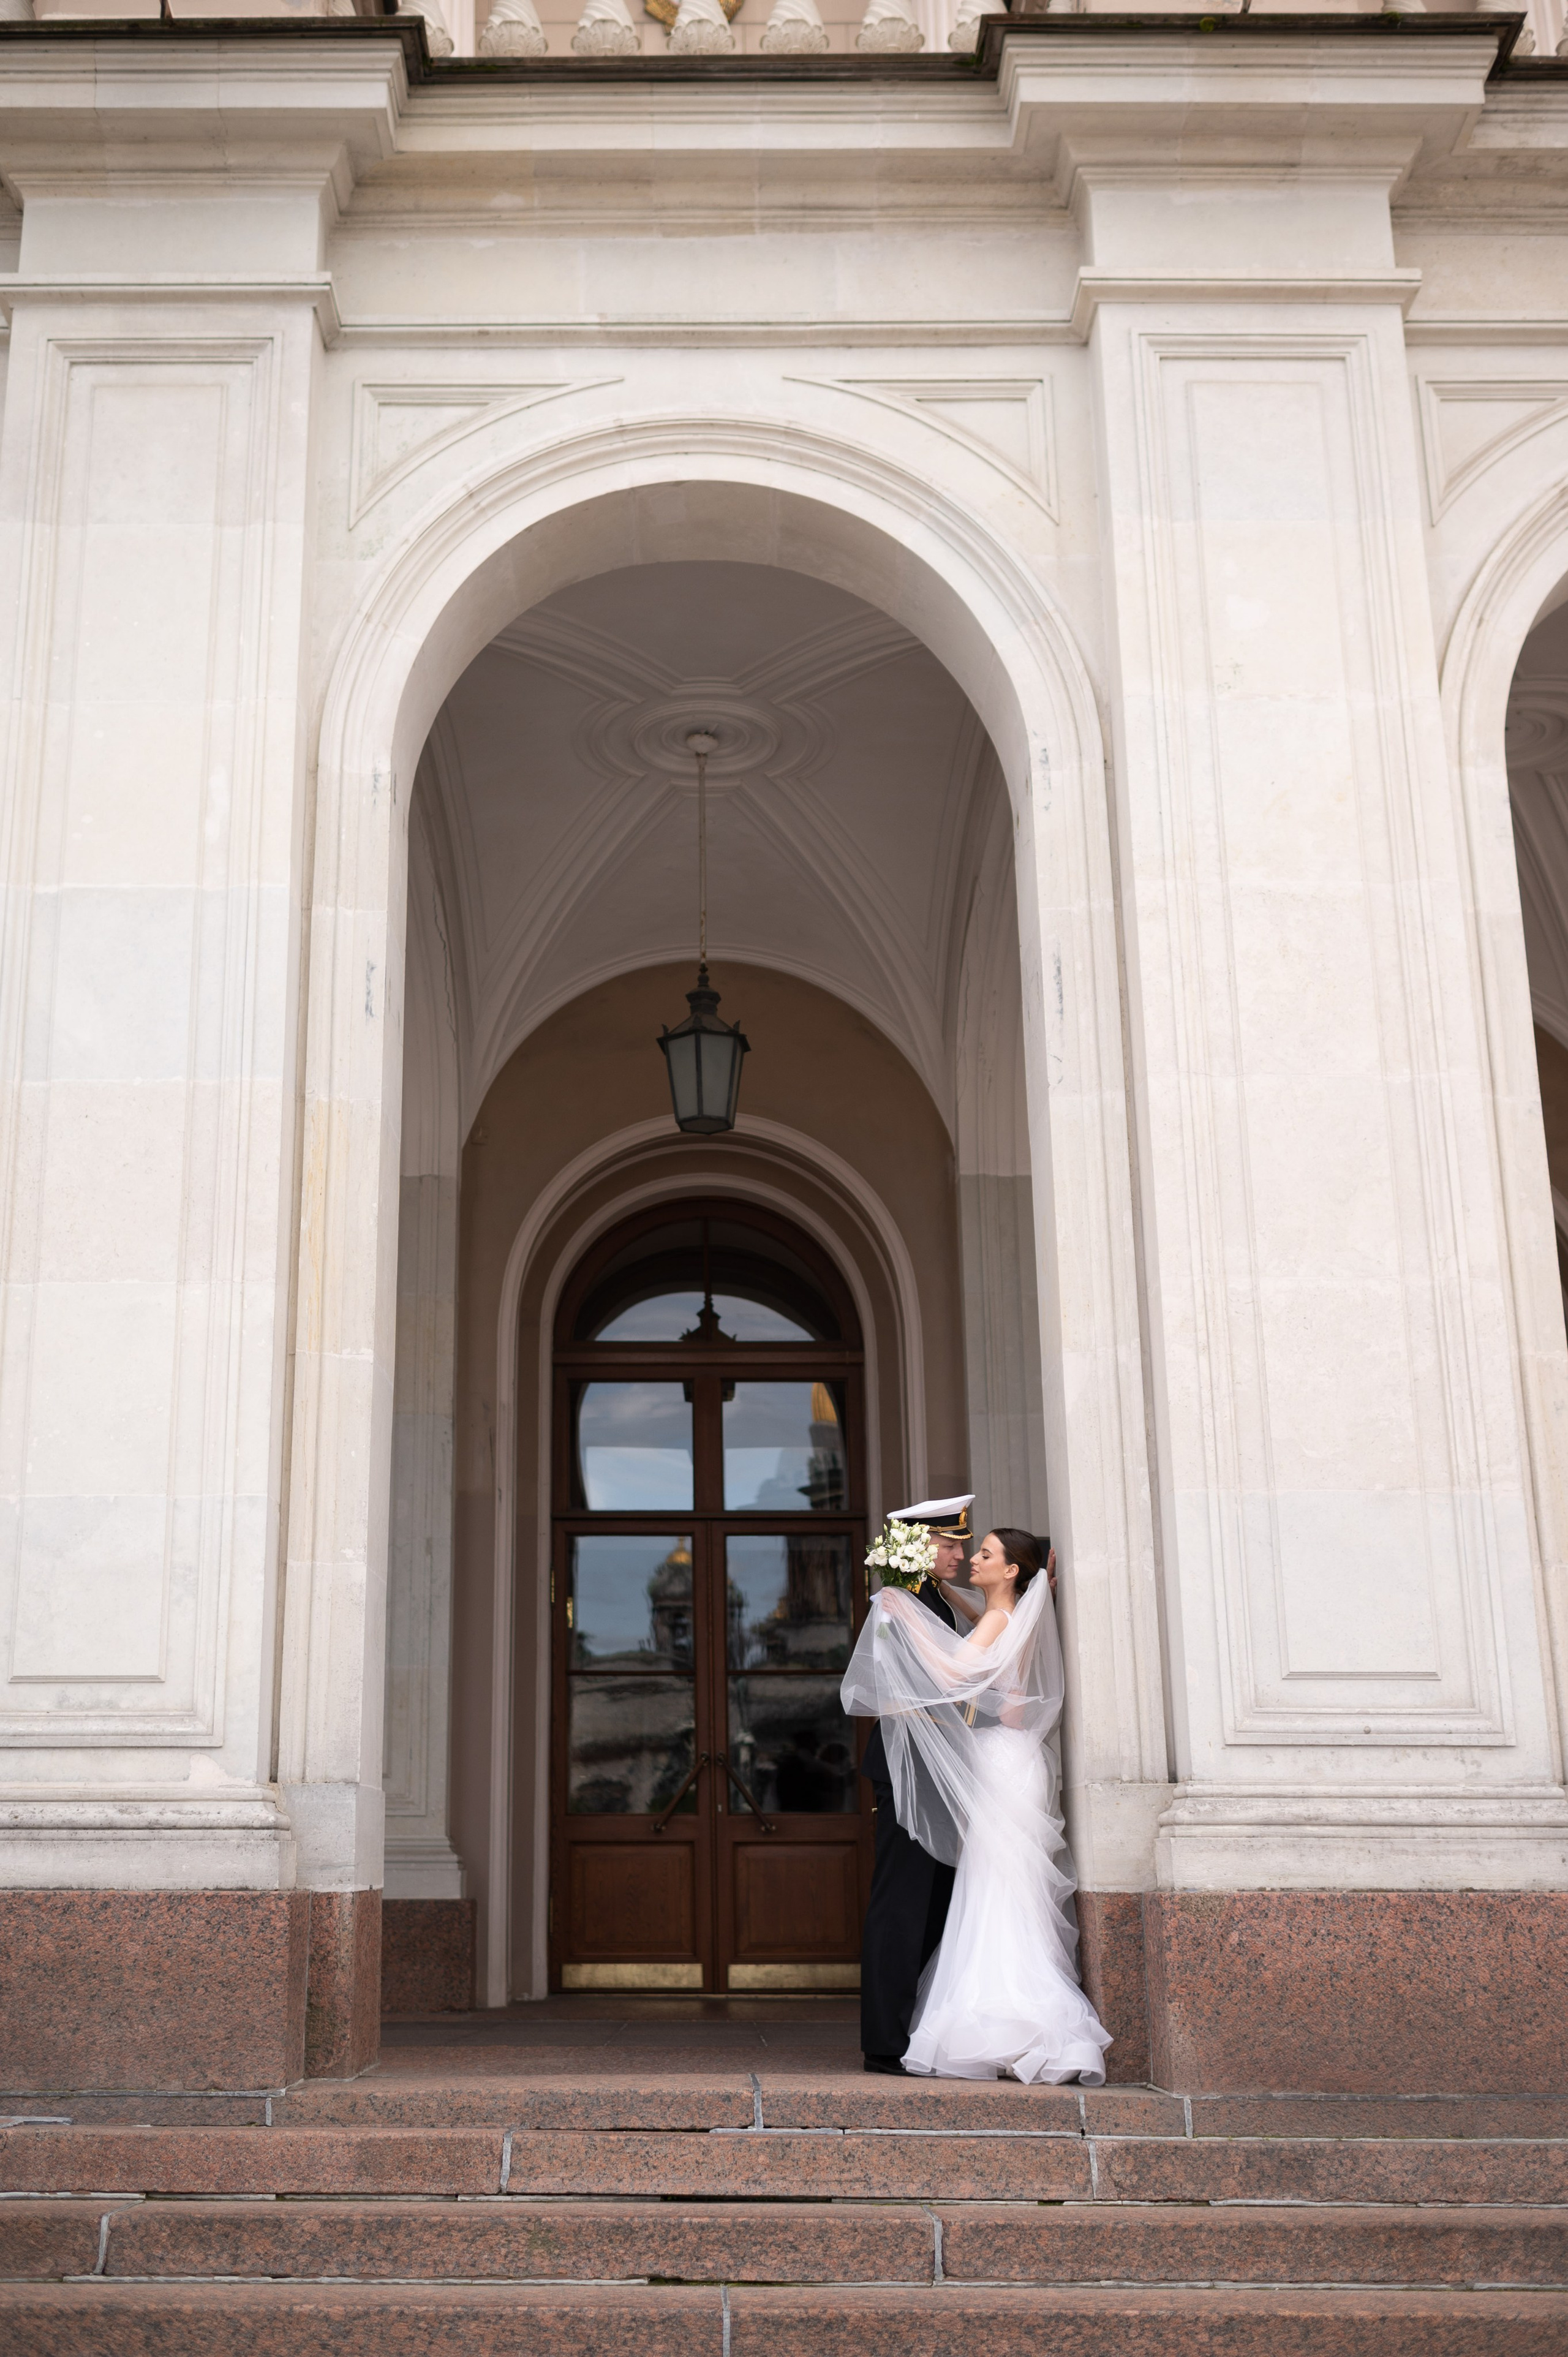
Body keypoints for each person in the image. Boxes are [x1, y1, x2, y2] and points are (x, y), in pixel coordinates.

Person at [842, 1525, 1110, 2085]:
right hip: (1000, 1762)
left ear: (1012, 1570)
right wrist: (1026, 1594)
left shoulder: (986, 1617)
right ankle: (983, 2018)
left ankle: (996, 2017)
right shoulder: (995, 1610)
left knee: (989, 1889)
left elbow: (952, 1672)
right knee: (992, 1887)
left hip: (995, 1764)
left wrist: (904, 1614)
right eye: (956, 1547)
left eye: (982, 1552)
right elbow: (980, 1619)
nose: (968, 1558)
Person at [855, 1494, 971, 2075]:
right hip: (909, 1767)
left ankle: (916, 2031)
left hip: (938, 1764)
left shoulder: (933, 1597)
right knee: (901, 1903)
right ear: (920, 1547)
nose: (959, 1555)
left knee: (937, 1902)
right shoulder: (896, 1602)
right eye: (949, 1544)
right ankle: (885, 2041)